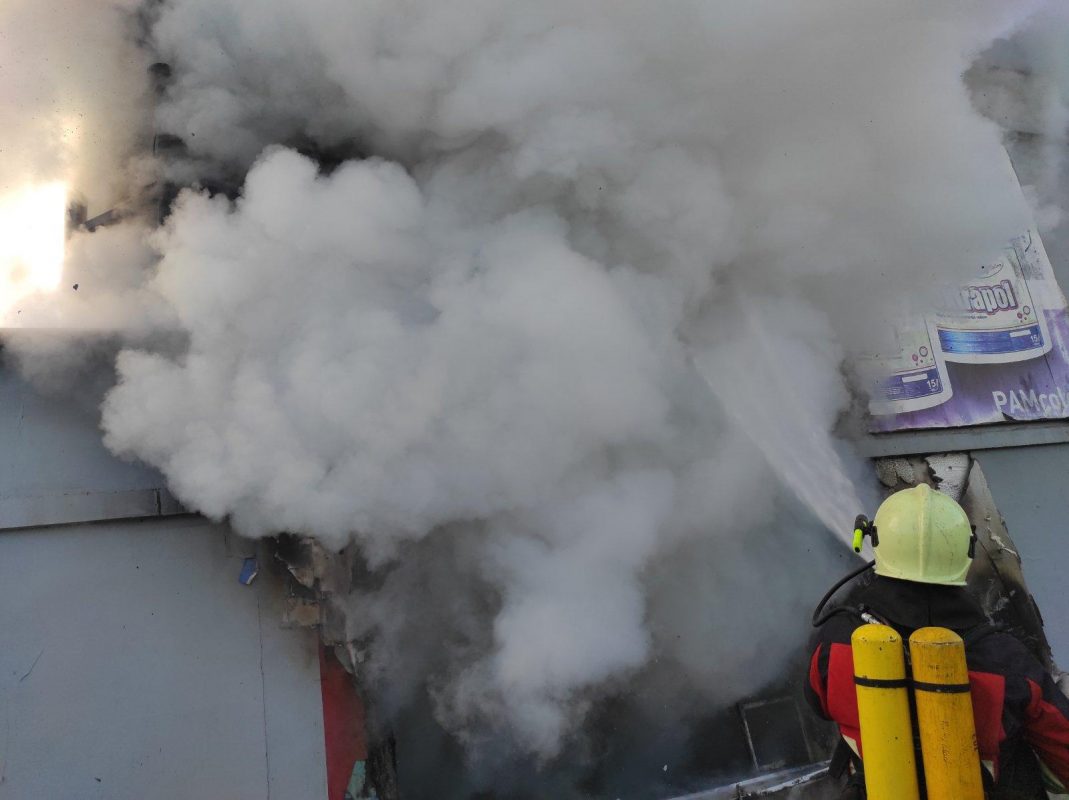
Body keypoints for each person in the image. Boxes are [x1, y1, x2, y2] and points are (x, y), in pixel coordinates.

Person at [804, 483, 1069, 799]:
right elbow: (1062, 747)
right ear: (965, 552)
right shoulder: (1006, 661)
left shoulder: (834, 643)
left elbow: (819, 704)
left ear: (876, 543)